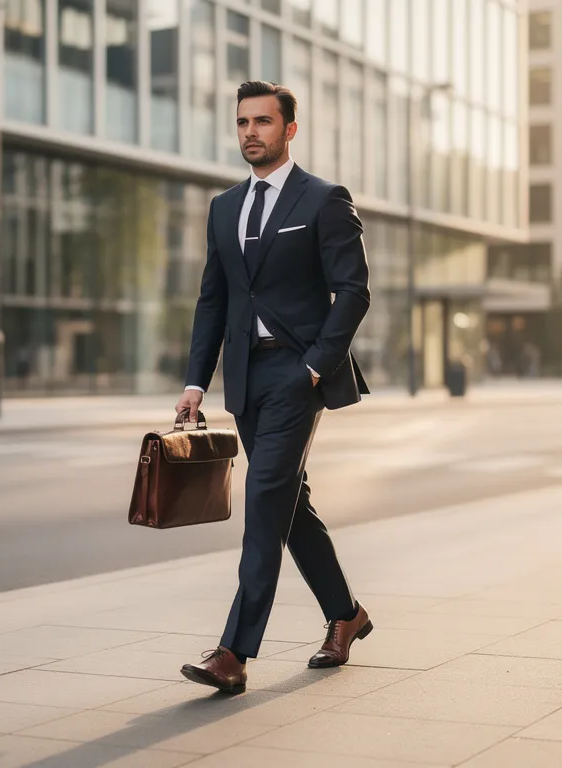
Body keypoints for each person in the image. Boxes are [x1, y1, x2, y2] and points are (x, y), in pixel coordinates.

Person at [174, 81, 373, 694]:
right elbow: (213, 300)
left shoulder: (323, 199)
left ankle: (234, 653)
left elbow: (354, 290)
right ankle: (346, 614)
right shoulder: (224, 207)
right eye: (242, 122)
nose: (250, 132)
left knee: (263, 500)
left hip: (297, 373)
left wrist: (315, 366)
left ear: (289, 129)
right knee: (289, 505)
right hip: (245, 376)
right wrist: (195, 383)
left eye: (262, 121)